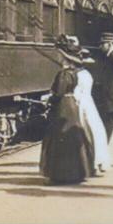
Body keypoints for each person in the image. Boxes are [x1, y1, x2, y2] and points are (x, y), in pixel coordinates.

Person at [39, 45, 93, 185]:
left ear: (66, 60)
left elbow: (59, 93)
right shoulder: (74, 73)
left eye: (63, 57)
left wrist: (49, 99)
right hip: (72, 106)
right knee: (72, 139)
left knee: (59, 139)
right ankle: (77, 173)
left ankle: (60, 176)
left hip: (63, 106)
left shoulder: (63, 74)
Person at [68, 36, 110, 175]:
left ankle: (86, 165)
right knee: (95, 132)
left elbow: (75, 93)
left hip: (80, 105)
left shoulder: (77, 75)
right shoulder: (86, 74)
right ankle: (96, 164)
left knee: (83, 134)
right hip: (89, 104)